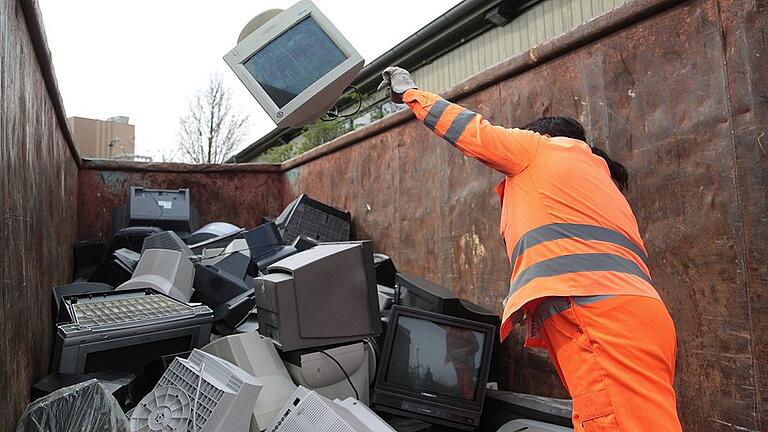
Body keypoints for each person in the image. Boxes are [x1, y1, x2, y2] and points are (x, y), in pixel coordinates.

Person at [378, 67, 682, 431]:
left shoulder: (540, 148)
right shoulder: (595, 177)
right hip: (635, 315)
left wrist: (411, 94)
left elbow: (473, 132)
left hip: (595, 313)